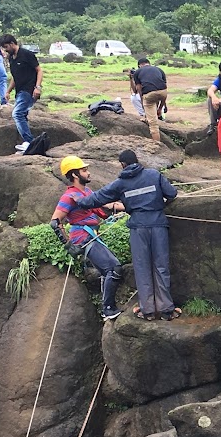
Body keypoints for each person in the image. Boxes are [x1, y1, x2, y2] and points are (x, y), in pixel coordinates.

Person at [76, 148, 179, 320]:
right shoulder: (154, 175)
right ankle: (167, 310)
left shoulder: (120, 184)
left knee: (142, 268)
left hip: (138, 229)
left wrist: (78, 201)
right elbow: (172, 193)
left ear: (123, 165)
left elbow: (97, 198)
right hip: (158, 225)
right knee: (161, 266)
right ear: (137, 161)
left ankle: (147, 311)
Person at [51, 156, 124, 321]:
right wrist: (69, 245)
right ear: (75, 175)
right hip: (83, 237)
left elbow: (106, 206)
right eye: (84, 170)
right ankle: (108, 309)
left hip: (92, 235)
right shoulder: (69, 197)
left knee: (110, 270)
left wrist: (134, 205)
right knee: (113, 269)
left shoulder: (87, 193)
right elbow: (55, 222)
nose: (88, 173)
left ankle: (108, 307)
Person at [0, 36, 45, 155]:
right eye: (4, 48)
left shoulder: (27, 54)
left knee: (17, 113)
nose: (5, 50)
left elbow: (39, 70)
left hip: (29, 90)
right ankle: (28, 142)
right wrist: (8, 91)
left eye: (6, 47)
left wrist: (38, 87)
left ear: (13, 43)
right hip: (19, 91)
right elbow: (15, 76)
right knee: (22, 115)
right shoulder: (11, 58)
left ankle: (30, 142)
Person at [130, 58, 168, 143]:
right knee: (157, 96)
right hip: (163, 92)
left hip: (149, 94)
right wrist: (161, 108)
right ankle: (156, 114)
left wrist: (143, 100)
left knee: (153, 125)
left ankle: (157, 144)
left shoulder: (138, 72)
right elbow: (164, 88)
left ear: (139, 65)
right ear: (149, 63)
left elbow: (138, 90)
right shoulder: (159, 69)